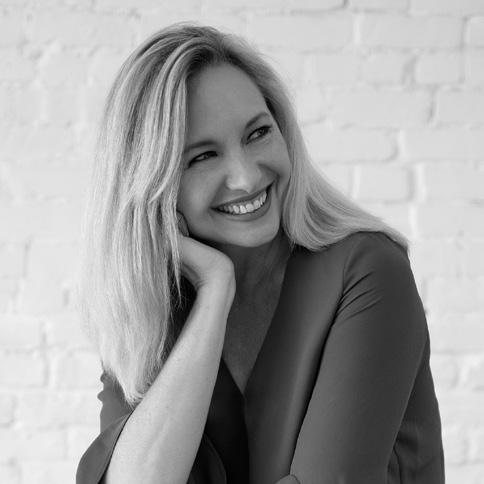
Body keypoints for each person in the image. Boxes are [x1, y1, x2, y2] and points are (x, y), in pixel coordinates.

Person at [75, 22, 445, 484]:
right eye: (202, 156)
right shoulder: (149, 309)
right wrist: (214, 293)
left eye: (257, 133)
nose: (248, 177)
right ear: (151, 183)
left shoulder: (367, 270)